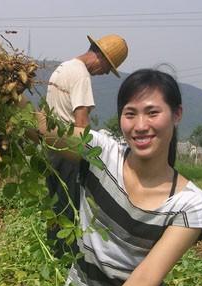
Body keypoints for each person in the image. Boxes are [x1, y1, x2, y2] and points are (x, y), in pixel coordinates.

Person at [34, 69, 202, 286]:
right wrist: (6, 95)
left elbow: (145, 277)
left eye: (152, 112)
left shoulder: (190, 204)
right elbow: (47, 132)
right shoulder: (100, 153)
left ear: (177, 114)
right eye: (130, 114)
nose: (140, 125)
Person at [45, 34, 128, 258]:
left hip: (52, 149)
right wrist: (94, 159)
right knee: (71, 206)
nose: (102, 73)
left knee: (56, 204)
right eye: (106, 67)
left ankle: (55, 252)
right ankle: (68, 257)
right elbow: (81, 124)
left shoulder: (63, 68)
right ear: (100, 57)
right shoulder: (81, 75)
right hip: (70, 153)